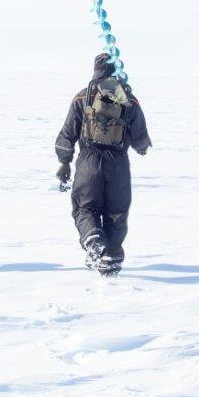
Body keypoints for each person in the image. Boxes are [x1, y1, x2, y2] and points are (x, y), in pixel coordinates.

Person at [55, 53, 152, 274]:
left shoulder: (83, 97)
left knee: (85, 207)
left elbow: (67, 134)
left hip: (88, 161)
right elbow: (141, 140)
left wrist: (64, 162)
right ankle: (111, 262)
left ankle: (92, 239)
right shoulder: (127, 98)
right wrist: (142, 146)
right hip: (117, 164)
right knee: (116, 213)